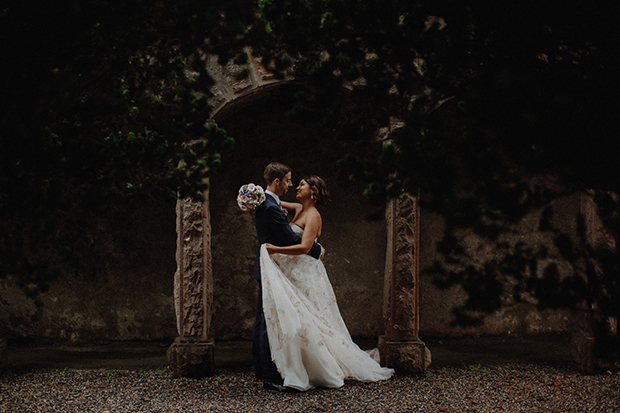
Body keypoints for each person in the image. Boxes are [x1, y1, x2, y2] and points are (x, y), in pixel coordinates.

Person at [262, 174, 394, 391]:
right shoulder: (298, 208)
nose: (296, 186)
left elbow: (305, 248)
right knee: (300, 316)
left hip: (307, 272)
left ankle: (321, 365)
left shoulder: (313, 215)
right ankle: (299, 364)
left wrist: (275, 249)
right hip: (295, 271)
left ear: (312, 192)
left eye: (302, 184)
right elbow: (272, 200)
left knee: (312, 316)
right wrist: (256, 195)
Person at [252, 162, 324, 392]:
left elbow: (294, 210)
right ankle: (269, 376)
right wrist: (317, 249)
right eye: (289, 180)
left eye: (298, 183)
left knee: (266, 319)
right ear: (277, 182)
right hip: (272, 266)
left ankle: (266, 370)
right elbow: (291, 240)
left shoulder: (271, 202)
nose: (292, 185)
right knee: (267, 321)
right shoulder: (270, 206)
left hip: (276, 267)